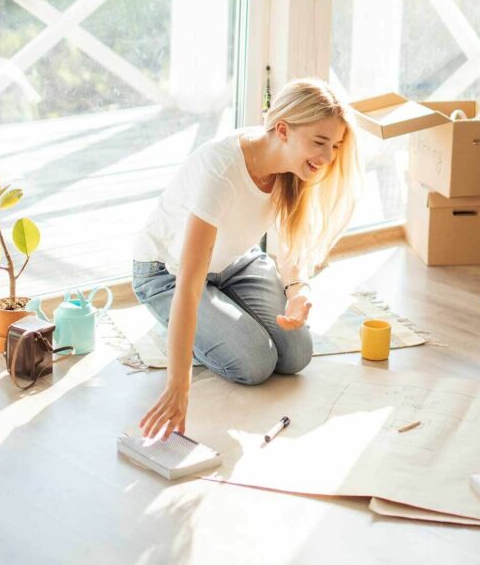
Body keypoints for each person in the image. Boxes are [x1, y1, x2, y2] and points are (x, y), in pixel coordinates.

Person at [132, 77, 361, 438]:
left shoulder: (294, 166)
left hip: (236, 262)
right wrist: (179, 386)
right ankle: (179, 327)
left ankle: (213, 316)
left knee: (296, 354)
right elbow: (189, 285)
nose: (328, 157)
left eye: (335, 145)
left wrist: (298, 288)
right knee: (255, 364)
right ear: (283, 129)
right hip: (169, 274)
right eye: (320, 142)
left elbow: (291, 238)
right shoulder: (221, 170)